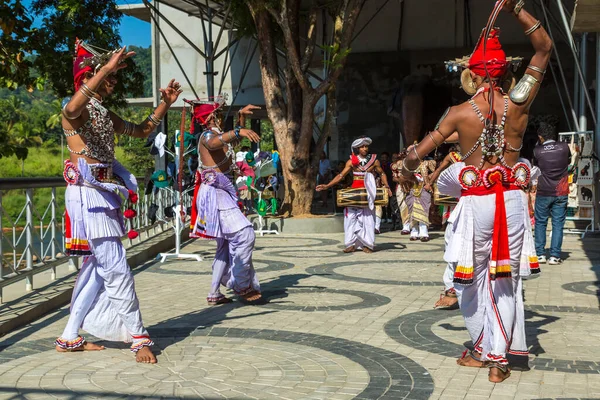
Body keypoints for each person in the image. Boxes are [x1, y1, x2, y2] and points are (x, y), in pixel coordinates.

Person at [399, 0, 551, 382]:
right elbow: (545, 47)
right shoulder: (520, 102)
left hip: (477, 204)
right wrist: (517, 8)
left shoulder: (458, 112)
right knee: (506, 279)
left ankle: (486, 348)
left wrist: (406, 165)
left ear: (471, 74)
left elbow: (418, 154)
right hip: (514, 201)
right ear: (504, 72)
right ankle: (500, 357)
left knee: (469, 279)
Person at [57, 40, 183, 363]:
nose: (112, 81)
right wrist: (104, 70)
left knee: (100, 269)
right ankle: (138, 339)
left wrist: (164, 105)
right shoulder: (75, 110)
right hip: (88, 195)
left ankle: (70, 335)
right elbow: (70, 110)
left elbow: (141, 131)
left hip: (103, 194)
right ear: (90, 74)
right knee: (115, 267)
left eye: (113, 77)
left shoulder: (101, 112)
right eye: (107, 76)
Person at [189, 98, 262, 305]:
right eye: (217, 111)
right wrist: (238, 130)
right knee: (244, 235)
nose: (221, 114)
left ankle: (214, 293)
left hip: (221, 190)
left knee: (223, 245)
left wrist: (240, 117)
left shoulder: (217, 135)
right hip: (216, 192)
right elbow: (215, 143)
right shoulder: (207, 136)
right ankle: (240, 284)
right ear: (210, 116)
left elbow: (229, 142)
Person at [316, 137, 392, 253]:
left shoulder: (374, 160)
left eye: (366, 146)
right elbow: (341, 175)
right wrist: (327, 186)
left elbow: (382, 174)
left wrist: (387, 186)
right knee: (350, 218)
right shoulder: (351, 161)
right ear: (357, 148)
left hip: (368, 192)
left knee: (368, 218)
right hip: (355, 191)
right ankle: (351, 244)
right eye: (362, 147)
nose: (365, 148)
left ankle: (368, 245)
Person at [533, 122, 571, 265]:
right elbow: (569, 161)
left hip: (543, 191)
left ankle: (540, 254)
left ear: (540, 136)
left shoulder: (537, 150)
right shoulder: (564, 147)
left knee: (541, 223)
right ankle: (555, 256)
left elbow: (535, 169)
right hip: (561, 191)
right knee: (558, 224)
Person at [401, 158, 437, 241]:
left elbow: (435, 172)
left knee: (424, 210)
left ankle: (424, 233)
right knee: (412, 211)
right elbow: (402, 176)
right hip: (411, 190)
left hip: (424, 189)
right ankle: (414, 232)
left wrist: (429, 182)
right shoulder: (407, 164)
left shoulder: (429, 163)